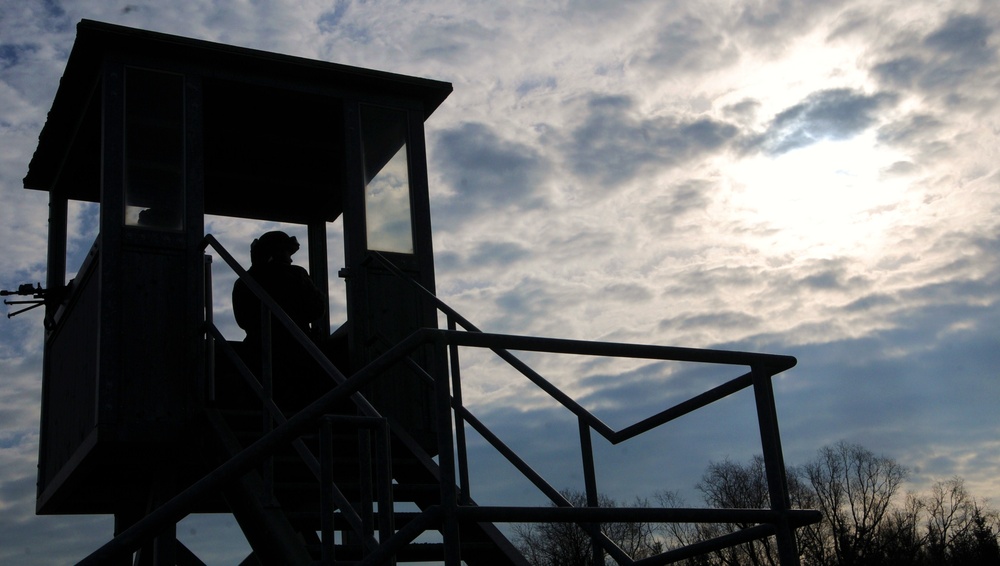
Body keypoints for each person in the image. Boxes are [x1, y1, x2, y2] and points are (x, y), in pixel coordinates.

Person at [231, 231, 331, 410]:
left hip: (257, 352)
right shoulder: (297, 275)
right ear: (278, 252)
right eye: (287, 252)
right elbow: (317, 309)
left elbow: (242, 321)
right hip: (298, 351)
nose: (291, 259)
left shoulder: (244, 281)